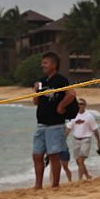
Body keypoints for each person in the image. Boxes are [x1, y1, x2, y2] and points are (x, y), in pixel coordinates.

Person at [32, 51, 76, 189]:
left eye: (45, 63)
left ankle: (55, 185)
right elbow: (36, 102)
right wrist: (35, 91)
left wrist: (61, 105)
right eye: (42, 63)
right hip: (41, 123)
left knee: (53, 155)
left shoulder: (61, 80)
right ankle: (38, 185)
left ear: (54, 65)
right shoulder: (42, 81)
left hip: (55, 124)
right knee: (37, 155)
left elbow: (71, 94)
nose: (42, 65)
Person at [69, 98, 100, 181]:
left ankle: (80, 179)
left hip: (86, 139)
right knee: (78, 161)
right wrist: (63, 139)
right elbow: (68, 128)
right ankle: (87, 175)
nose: (79, 105)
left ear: (85, 106)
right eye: (78, 104)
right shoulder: (73, 115)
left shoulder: (89, 116)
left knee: (81, 160)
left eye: (81, 104)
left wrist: (99, 142)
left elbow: (95, 129)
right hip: (75, 140)